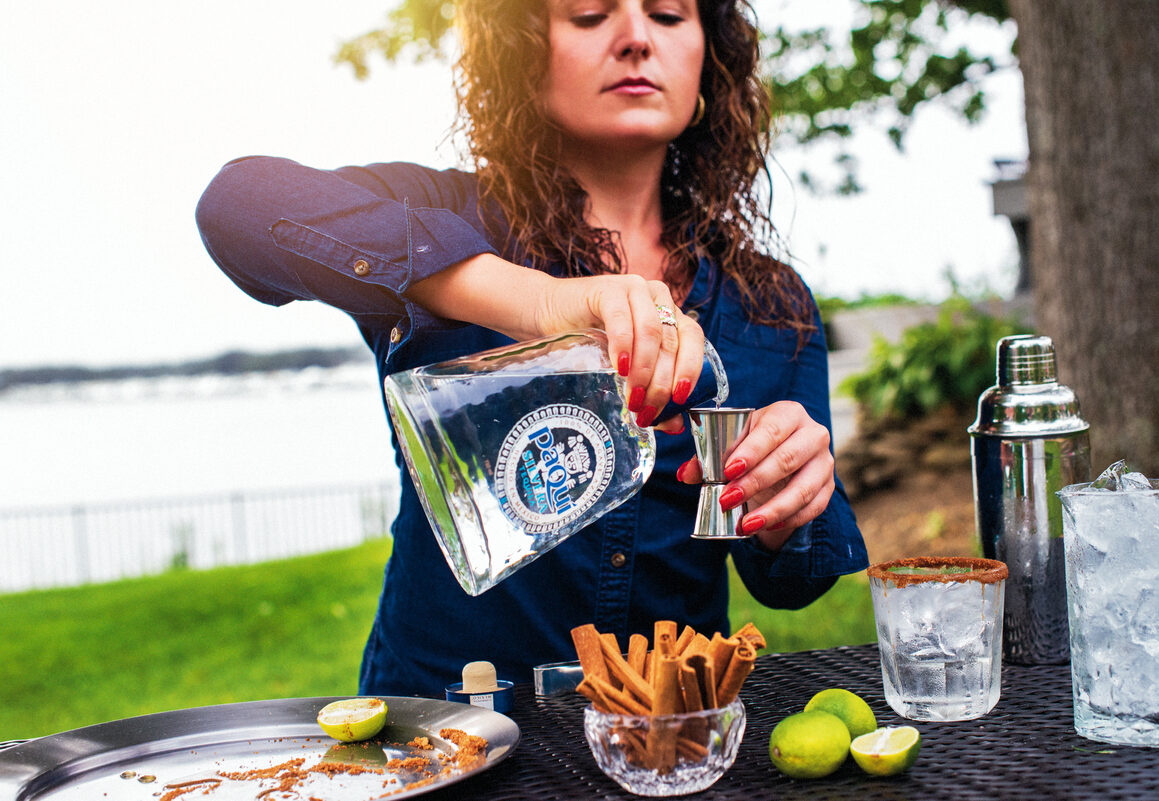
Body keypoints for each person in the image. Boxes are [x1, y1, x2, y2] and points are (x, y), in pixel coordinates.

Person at [195, 0, 868, 697]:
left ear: (710, 57)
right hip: (448, 729)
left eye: (669, 14)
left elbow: (798, 579)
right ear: (525, 50)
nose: (636, 37)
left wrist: (791, 501)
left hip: (665, 736)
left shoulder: (770, 302)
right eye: (589, 14)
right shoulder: (447, 219)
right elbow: (237, 206)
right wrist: (541, 302)